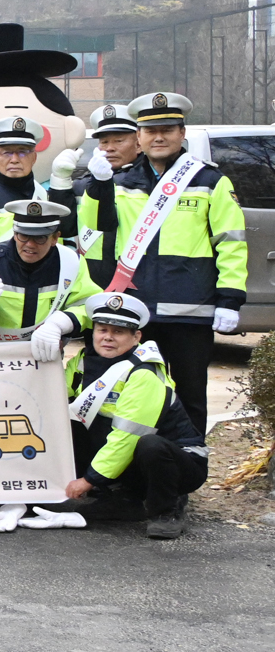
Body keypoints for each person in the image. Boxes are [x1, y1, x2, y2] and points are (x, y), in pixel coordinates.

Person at [83, 91, 247, 433]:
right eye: (150, 130)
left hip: (191, 310)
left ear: (182, 133)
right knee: (129, 393)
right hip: (134, 310)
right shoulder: (121, 183)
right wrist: (98, 187)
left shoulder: (209, 181)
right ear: (139, 137)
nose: (159, 137)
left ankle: (187, 467)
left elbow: (231, 244)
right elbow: (95, 230)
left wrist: (230, 299)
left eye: (168, 129)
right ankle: (131, 473)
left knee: (189, 397)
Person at [41, 293, 207, 540]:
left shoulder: (144, 373)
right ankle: (124, 498)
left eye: (118, 332)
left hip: (178, 463)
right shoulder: (84, 363)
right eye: (102, 329)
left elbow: (127, 436)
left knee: (149, 445)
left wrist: (88, 480)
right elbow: (51, 403)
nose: (107, 337)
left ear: (136, 337)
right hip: (131, 460)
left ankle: (167, 509)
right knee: (68, 424)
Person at [0, 197, 97, 356]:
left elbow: (87, 305)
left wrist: (60, 323)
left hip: (42, 355)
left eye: (40, 237)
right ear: (14, 233)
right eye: (23, 236)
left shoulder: (71, 263)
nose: (30, 244)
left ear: (55, 238)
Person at [74, 102, 143, 286]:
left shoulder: (150, 182)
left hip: (138, 280)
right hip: (92, 284)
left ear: (138, 144)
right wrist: (60, 183)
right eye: (104, 142)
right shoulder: (84, 184)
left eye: (118, 141)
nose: (109, 148)